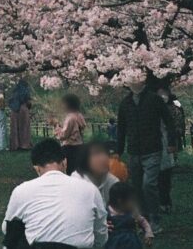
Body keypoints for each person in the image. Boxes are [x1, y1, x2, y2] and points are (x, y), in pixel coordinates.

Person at [2, 138, 107, 249]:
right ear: (65, 162)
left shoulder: (21, 191)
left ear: (36, 168)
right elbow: (101, 232)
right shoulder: (90, 190)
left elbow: (7, 229)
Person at [115, 80, 173, 232]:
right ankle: (143, 219)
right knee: (137, 187)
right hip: (134, 150)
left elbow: (169, 120)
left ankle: (155, 219)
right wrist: (118, 150)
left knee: (149, 184)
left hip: (153, 149)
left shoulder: (154, 99)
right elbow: (121, 128)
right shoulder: (125, 103)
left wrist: (172, 142)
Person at [75, 142, 153, 243]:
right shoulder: (78, 181)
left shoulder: (113, 181)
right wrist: (100, 225)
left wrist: (148, 231)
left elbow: (130, 206)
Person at [155, 87, 179, 214]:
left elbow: (172, 127)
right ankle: (161, 202)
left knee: (165, 176)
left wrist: (171, 144)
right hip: (154, 145)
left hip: (164, 145)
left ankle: (165, 202)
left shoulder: (171, 109)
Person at [105, 182, 145, 249]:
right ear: (120, 201)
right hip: (114, 243)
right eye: (131, 200)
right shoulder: (106, 213)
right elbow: (100, 225)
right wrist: (105, 226)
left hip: (131, 243)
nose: (133, 203)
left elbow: (142, 221)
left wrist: (148, 232)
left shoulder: (132, 212)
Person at [56, 93, 87, 174]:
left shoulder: (70, 118)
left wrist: (57, 129)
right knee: (78, 170)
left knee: (69, 169)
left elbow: (64, 135)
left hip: (70, 147)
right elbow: (82, 126)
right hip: (79, 145)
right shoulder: (79, 115)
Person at [8, 78, 32, 151]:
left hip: (14, 111)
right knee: (24, 128)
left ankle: (15, 145)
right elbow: (28, 101)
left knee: (15, 128)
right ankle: (24, 145)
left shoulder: (14, 92)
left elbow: (10, 101)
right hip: (23, 110)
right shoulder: (26, 91)